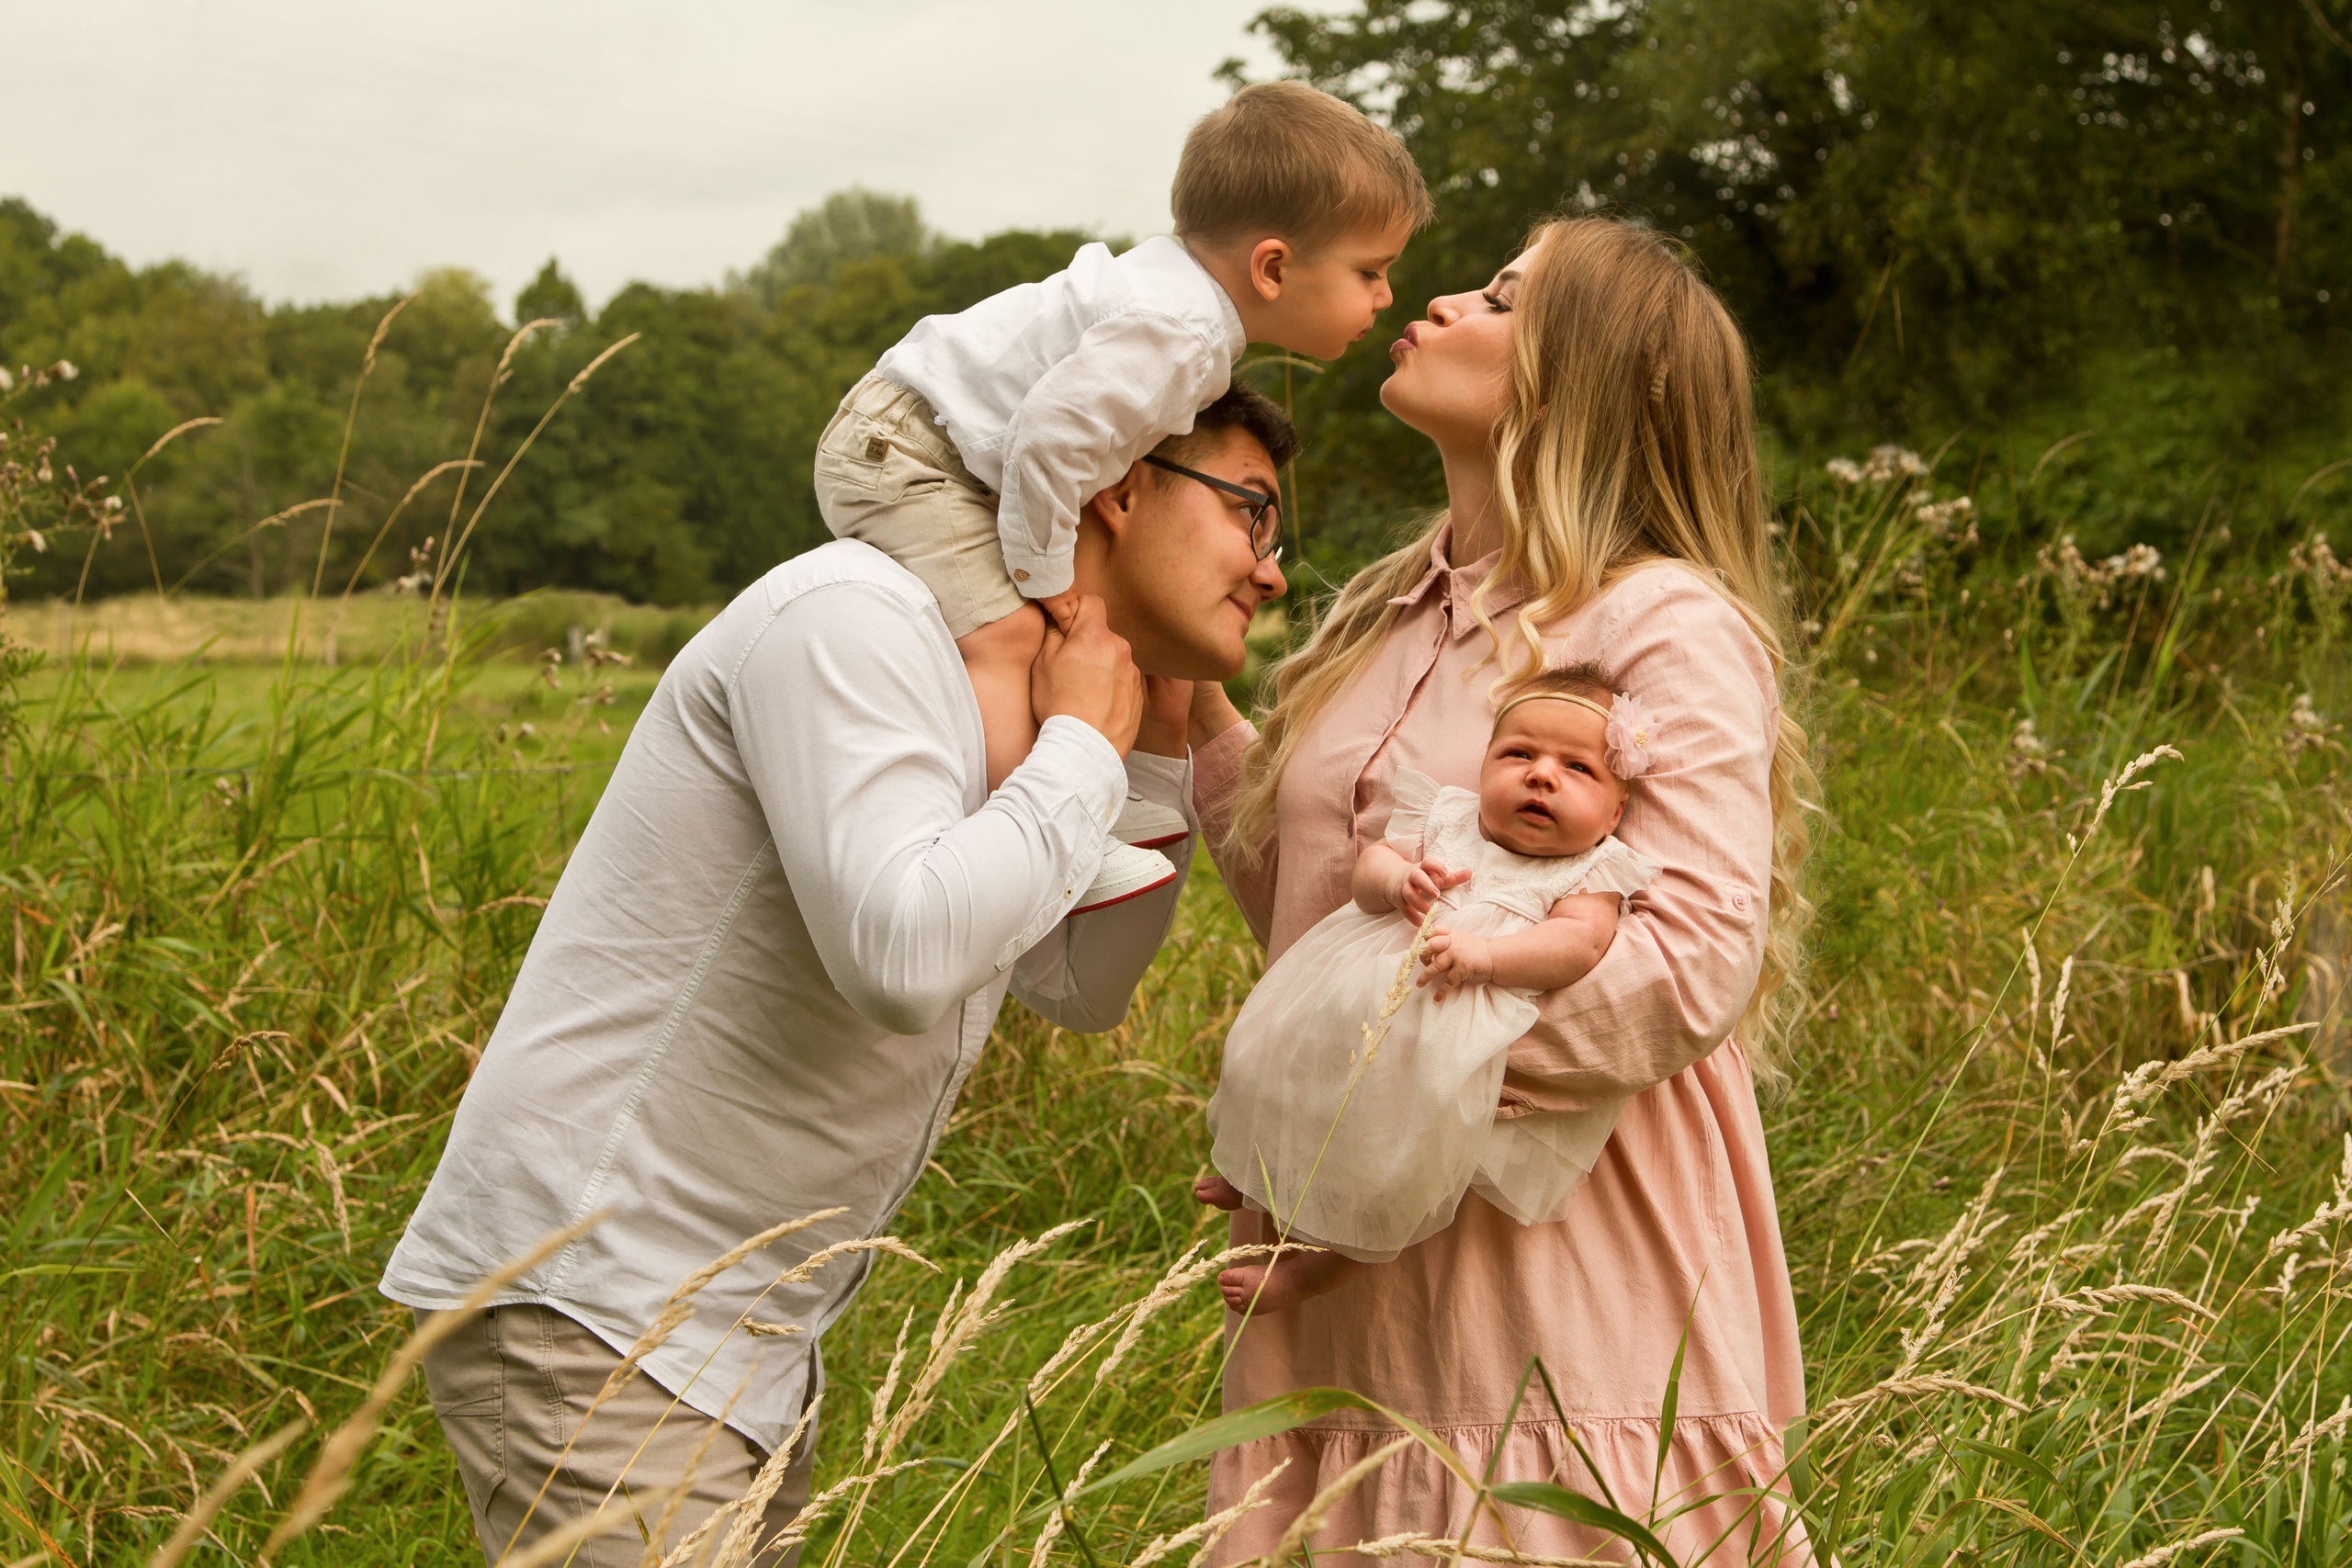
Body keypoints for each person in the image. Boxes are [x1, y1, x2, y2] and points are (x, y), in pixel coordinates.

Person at [381, 386, 1295, 1568]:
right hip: (601, 1302)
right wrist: (1078, 746)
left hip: (740, 1337)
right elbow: (902, 960)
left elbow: (1077, 984)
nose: (1273, 574)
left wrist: (1151, 741)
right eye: (1253, 517)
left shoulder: (1026, 692)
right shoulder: (860, 623)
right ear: (1120, 486)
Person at [1189, 219, 1815, 1562]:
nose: (1447, 298)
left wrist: (1388, 1085)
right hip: (1343, 1244)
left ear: (1574, 380)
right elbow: (1316, 917)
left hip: (1546, 1235)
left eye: (1506, 297)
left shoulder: (1662, 622)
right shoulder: (1391, 610)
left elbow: (1695, 955)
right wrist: (1179, 687)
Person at [812, 80, 1430, 913]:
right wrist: (1049, 576)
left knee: (1025, 633)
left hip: (926, 438)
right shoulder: (1183, 333)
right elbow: (1048, 440)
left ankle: (1062, 806)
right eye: (1371, 271)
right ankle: (1042, 837)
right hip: (908, 452)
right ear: (1274, 267)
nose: (1386, 297)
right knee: (1006, 635)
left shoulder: (1174, 305)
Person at [1194, 664, 1664, 1314]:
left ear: (1615, 812)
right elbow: (1372, 867)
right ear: (1483, 767)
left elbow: (1579, 944)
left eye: (1578, 768)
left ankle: (1308, 1273)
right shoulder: (1448, 817)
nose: (1541, 774)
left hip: (1444, 1019)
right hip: (1349, 984)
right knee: (1279, 1054)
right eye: (1518, 753)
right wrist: (1396, 880)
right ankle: (1249, 1168)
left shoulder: (1592, 869)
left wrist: (1491, 957)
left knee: (1396, 1160)